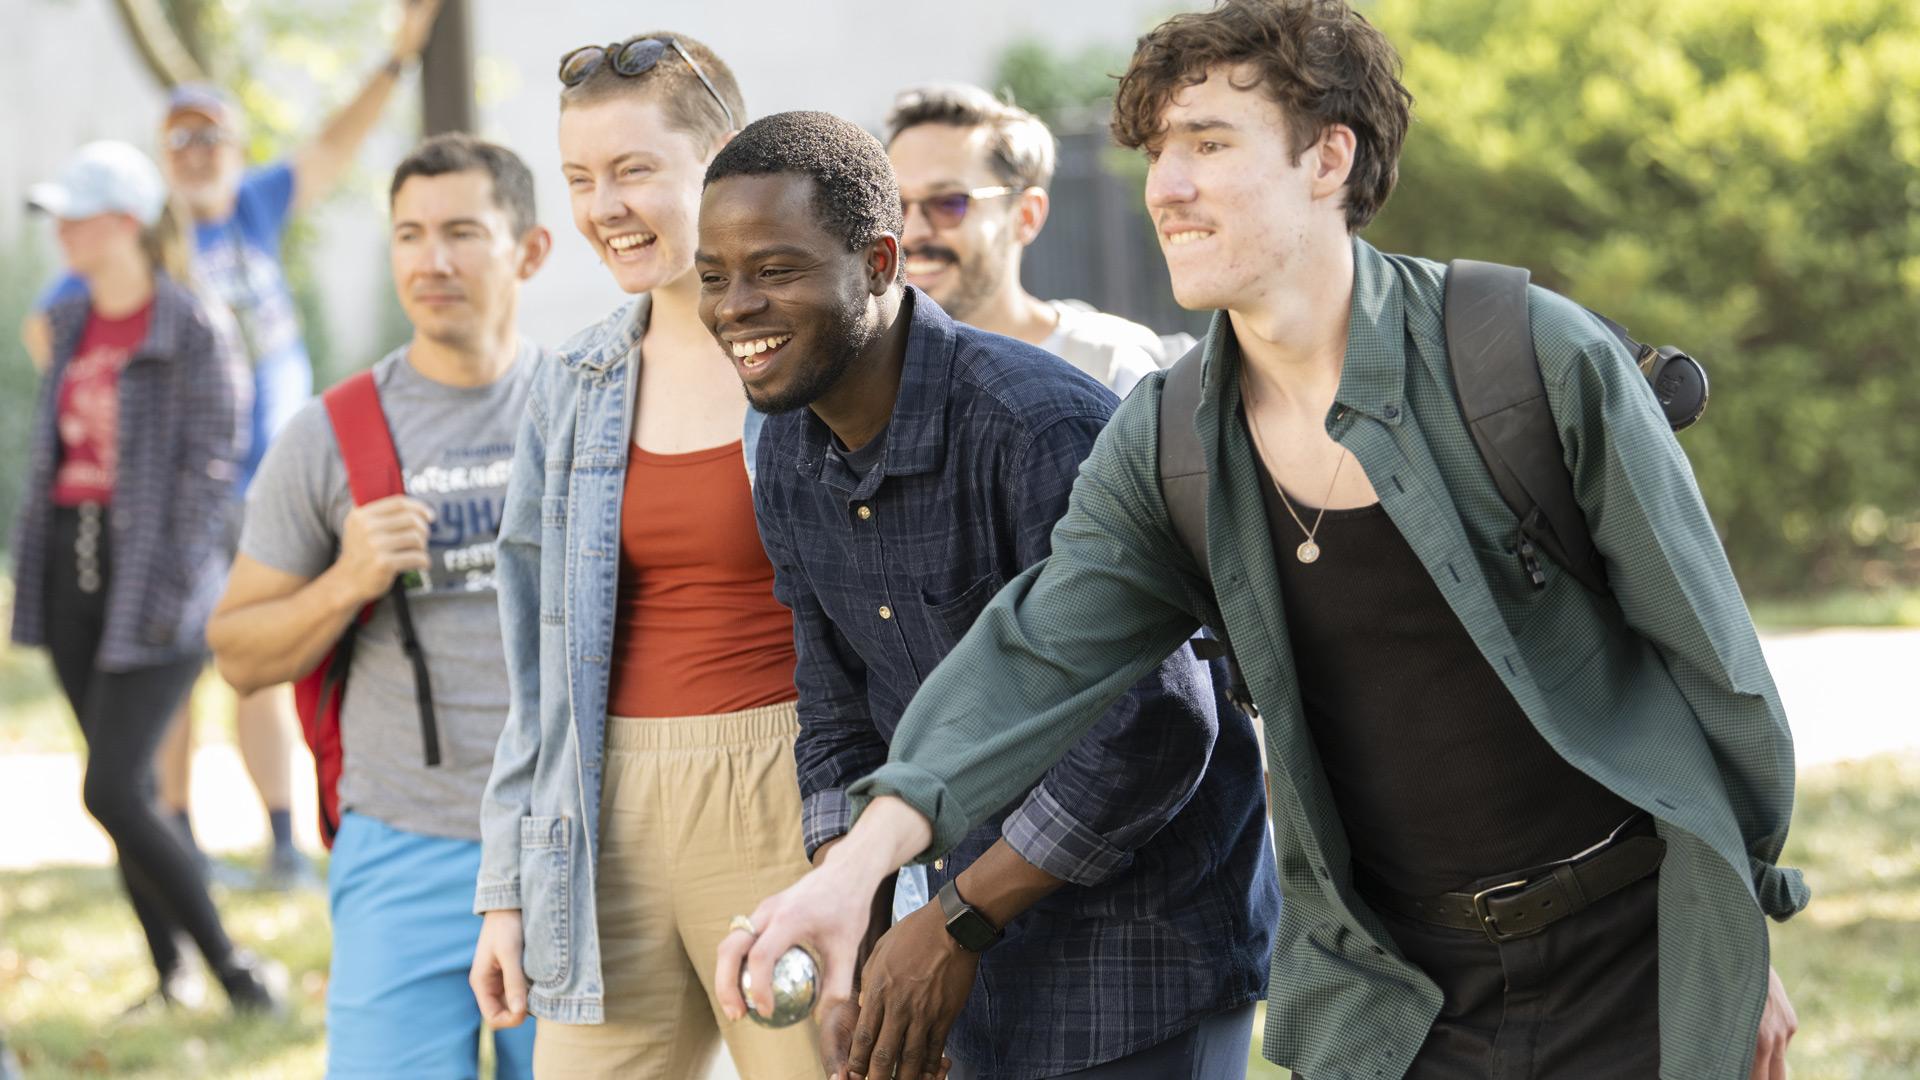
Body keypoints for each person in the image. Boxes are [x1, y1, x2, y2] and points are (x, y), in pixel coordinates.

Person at [722, 4, 1811, 1080]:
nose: (1167, 186)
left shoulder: (1526, 362)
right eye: (1158, 151)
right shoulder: (1163, 441)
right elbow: (1031, 659)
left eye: (1209, 143)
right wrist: (851, 871)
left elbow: (1716, 669)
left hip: (1635, 958)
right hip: (1396, 994)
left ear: (1328, 157)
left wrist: (1736, 921)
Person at [699, 111, 1279, 1080]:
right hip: (964, 944)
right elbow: (839, 715)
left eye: (775, 269)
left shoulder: (1034, 424)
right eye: (714, 275)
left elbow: (1160, 723)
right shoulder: (789, 452)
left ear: (880, 262)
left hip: (1142, 954)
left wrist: (953, 926)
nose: (735, 305)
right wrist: (862, 940)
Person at [21, 0, 450, 891]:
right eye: (180, 143)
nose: (198, 155)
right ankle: (176, 837)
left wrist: (396, 60)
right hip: (184, 498)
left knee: (258, 665)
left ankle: (283, 838)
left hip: (268, 489)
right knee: (167, 675)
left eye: (212, 138)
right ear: (163, 162)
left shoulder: (254, 208)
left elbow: (335, 143)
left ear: (235, 147)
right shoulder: (147, 244)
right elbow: (51, 328)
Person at [465, 32, 823, 1080]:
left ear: (721, 163)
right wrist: (505, 885)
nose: (602, 206)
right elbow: (533, 671)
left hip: (785, 799)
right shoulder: (573, 381)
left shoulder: (814, 356)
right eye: (580, 179)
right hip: (600, 819)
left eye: (632, 171)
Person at [205, 133, 549, 1079]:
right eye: (408, 234)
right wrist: (345, 581)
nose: (431, 260)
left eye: (462, 232)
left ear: (529, 252)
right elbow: (237, 653)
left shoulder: (585, 412)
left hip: (572, 850)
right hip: (402, 851)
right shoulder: (328, 435)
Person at [9, 140, 280, 1015]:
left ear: (123, 223)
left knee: (112, 787)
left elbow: (211, 477)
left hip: (158, 582)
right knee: (115, 790)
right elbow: (58, 457)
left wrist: (172, 591)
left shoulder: (192, 325)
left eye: (75, 217)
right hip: (71, 570)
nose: (61, 234)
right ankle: (172, 978)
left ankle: (235, 969)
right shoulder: (72, 322)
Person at [885, 83, 1189, 397]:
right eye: (893, 204)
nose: (912, 231)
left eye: (947, 203)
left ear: (1025, 215)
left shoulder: (1108, 371)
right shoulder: (863, 383)